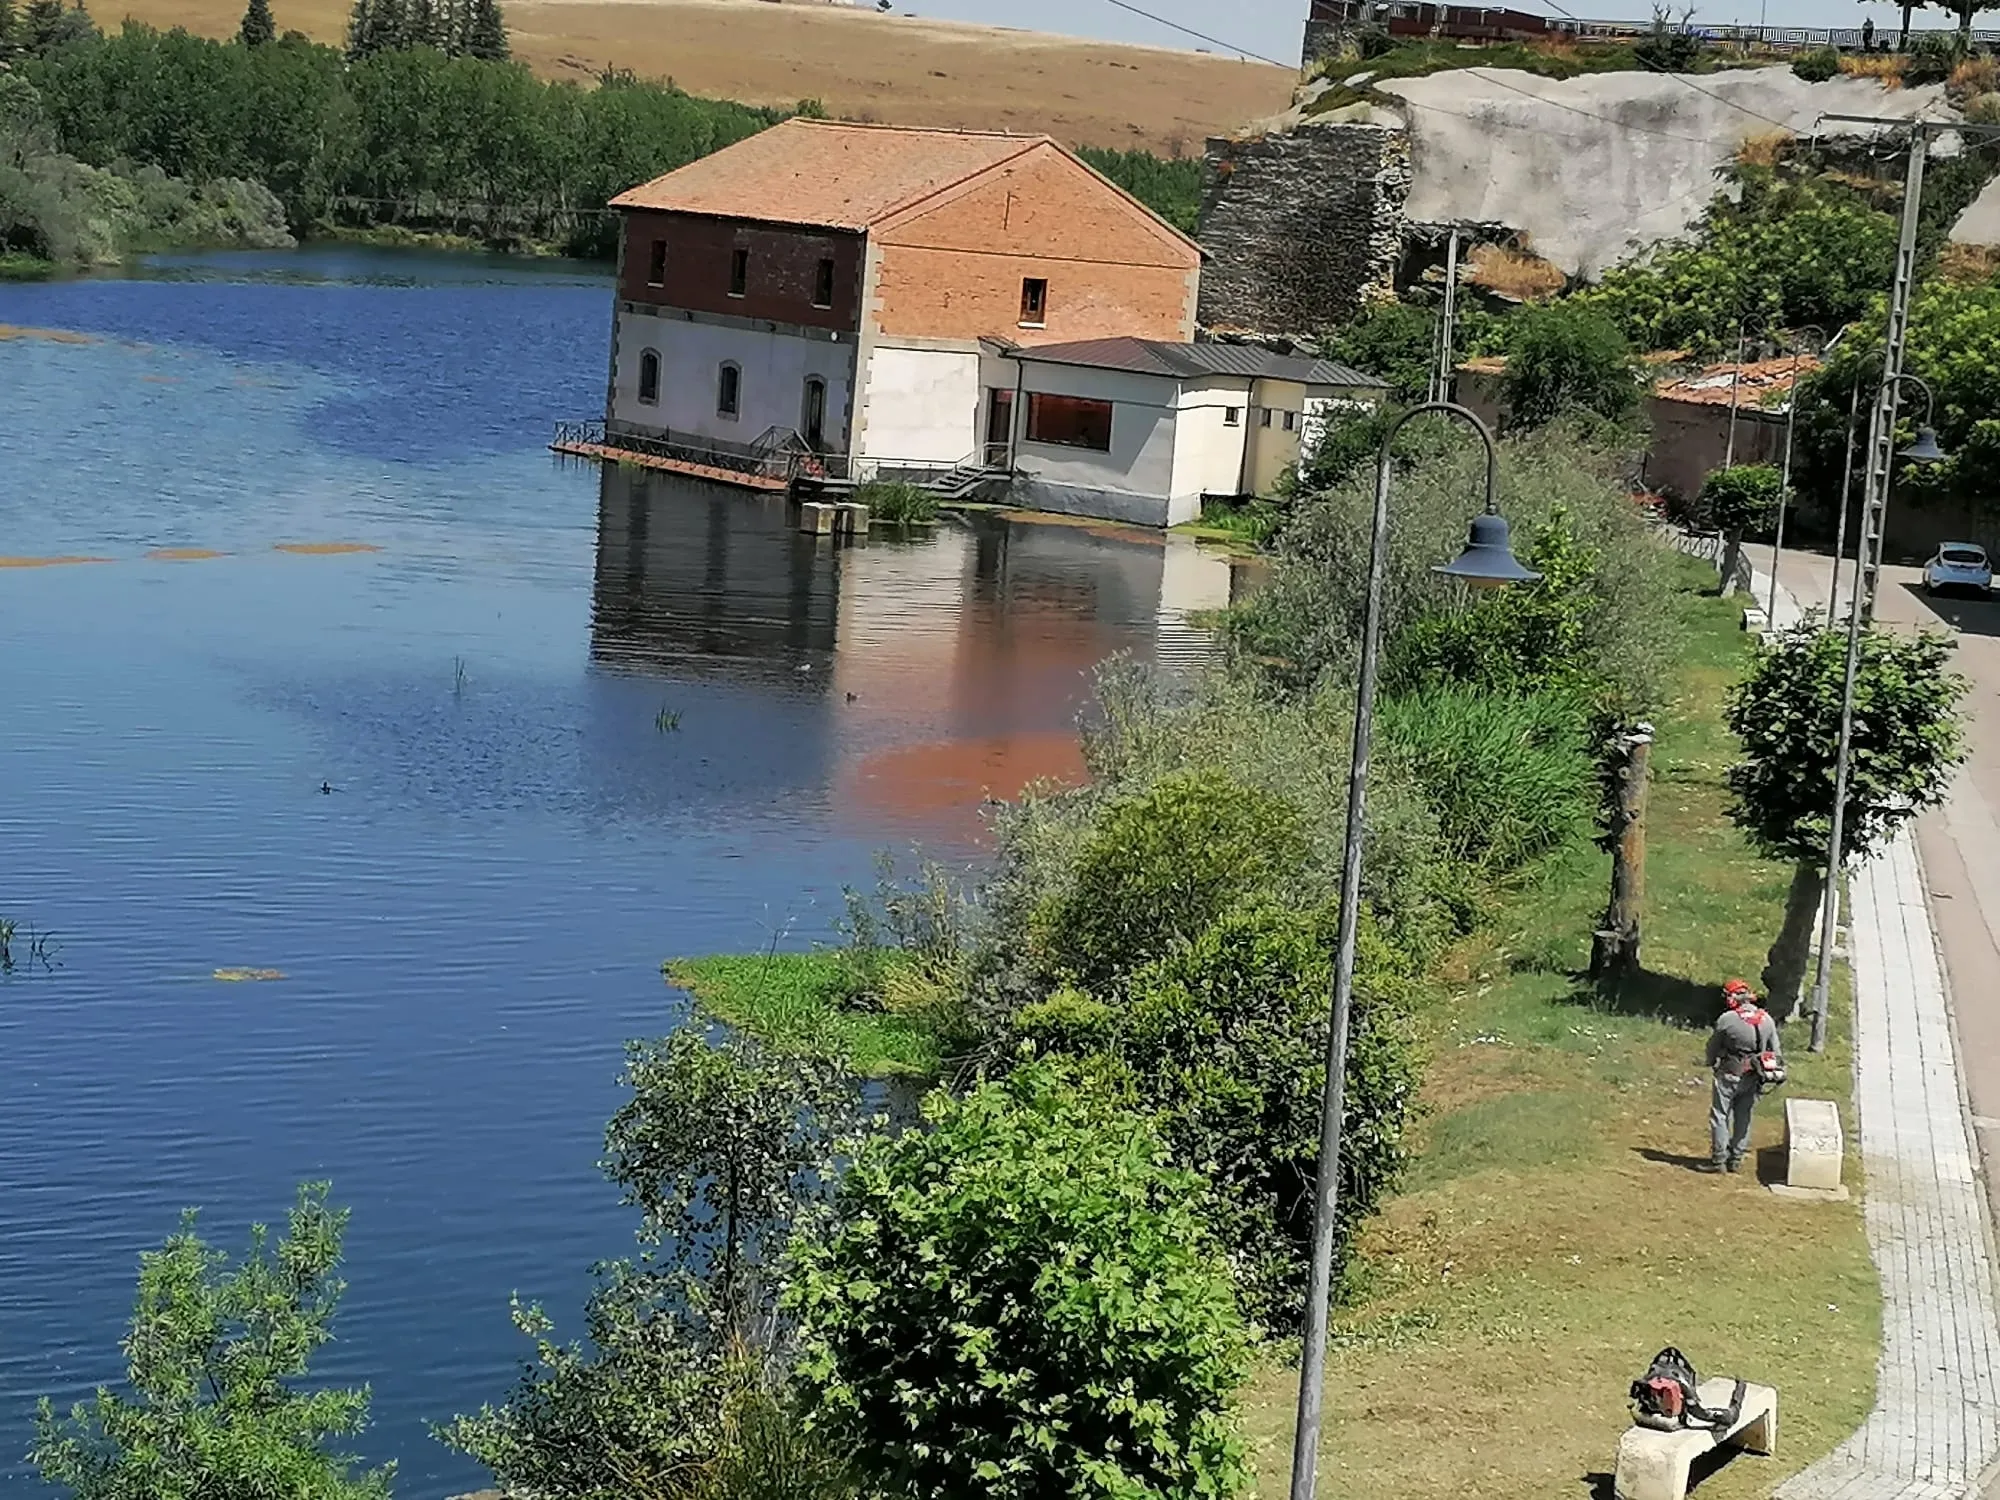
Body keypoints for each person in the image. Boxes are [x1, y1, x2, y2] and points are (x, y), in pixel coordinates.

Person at [1705, 978, 1779, 1173]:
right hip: (1753, 1076)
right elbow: (1775, 1052)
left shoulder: (1727, 1019)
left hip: (1729, 1073)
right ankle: (1736, 1158)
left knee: (1720, 1115)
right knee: (1744, 1115)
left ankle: (1719, 1159)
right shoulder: (1766, 1019)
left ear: (1731, 998)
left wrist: (1711, 1061)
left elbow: (1713, 1047)